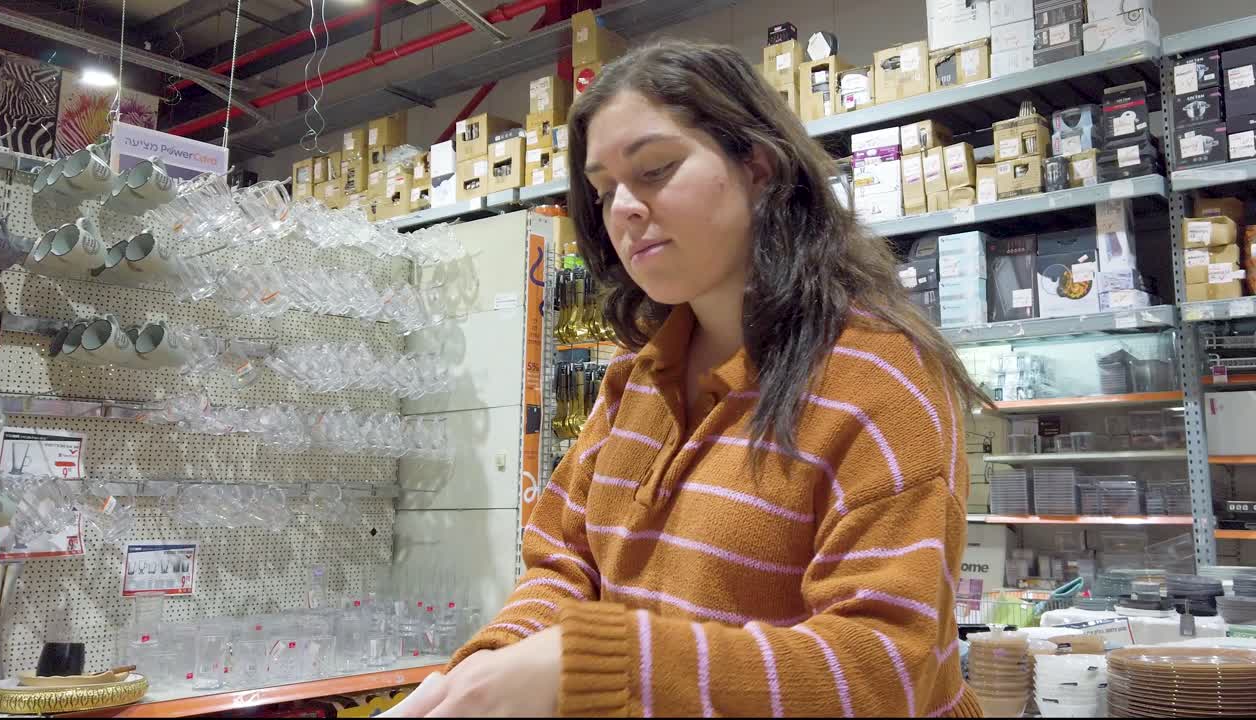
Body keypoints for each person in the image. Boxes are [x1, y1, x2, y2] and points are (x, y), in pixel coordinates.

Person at [398, 39, 986, 718]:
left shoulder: (878, 377)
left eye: (654, 170)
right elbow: (565, 560)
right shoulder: (634, 381)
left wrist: (595, 664)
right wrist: (494, 666)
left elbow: (886, 670)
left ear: (758, 165)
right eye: (603, 190)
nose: (622, 209)